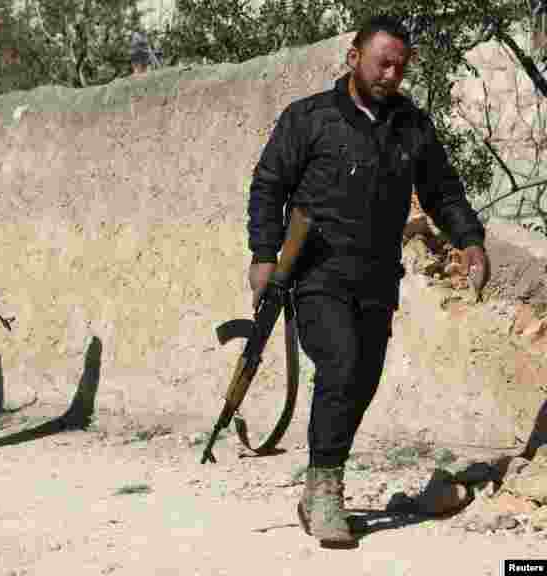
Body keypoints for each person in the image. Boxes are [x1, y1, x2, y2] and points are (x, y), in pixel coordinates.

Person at [246, 15, 490, 547]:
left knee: (363, 379)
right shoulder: (308, 119)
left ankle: (318, 483)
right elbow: (268, 186)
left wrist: (470, 240)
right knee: (340, 363)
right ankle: (326, 492)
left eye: (400, 66)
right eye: (382, 63)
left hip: (378, 276)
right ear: (354, 58)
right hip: (317, 272)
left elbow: (443, 192)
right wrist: (263, 254)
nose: (391, 74)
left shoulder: (412, 127)